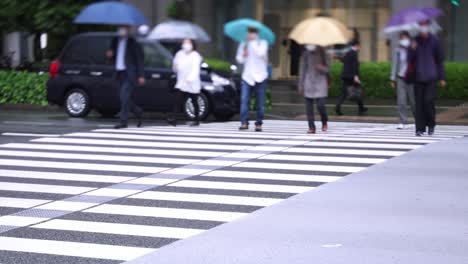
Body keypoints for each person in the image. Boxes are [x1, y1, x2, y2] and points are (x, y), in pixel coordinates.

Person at [408, 20, 446, 136]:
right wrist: (412, 49)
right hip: (418, 77)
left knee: (428, 102)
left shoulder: (434, 40)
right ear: (419, 27)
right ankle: (419, 128)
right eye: (421, 25)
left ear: (428, 26)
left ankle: (431, 125)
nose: (423, 27)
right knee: (418, 104)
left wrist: (442, 77)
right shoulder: (415, 40)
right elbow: (409, 59)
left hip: (431, 77)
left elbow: (439, 60)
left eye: (425, 25)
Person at [107, 26, 145, 129]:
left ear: (128, 30)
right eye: (120, 28)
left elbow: (139, 59)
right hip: (118, 72)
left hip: (129, 73)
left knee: (124, 96)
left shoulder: (133, 42)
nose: (121, 30)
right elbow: (112, 56)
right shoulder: (115, 41)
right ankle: (138, 111)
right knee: (122, 97)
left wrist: (141, 75)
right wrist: (110, 55)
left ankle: (123, 122)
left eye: (123, 28)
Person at [236, 27, 269, 132]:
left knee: (260, 102)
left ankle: (258, 123)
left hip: (260, 76)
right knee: (244, 100)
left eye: (252, 33)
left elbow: (261, 53)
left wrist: (252, 43)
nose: (250, 35)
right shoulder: (244, 44)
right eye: (249, 33)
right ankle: (244, 122)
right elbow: (239, 60)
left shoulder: (262, 43)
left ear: (256, 34)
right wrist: (243, 54)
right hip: (247, 76)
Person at [169, 39, 203, 127]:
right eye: (184, 43)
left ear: (192, 44)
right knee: (177, 100)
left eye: (188, 43)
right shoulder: (179, 54)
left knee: (194, 100)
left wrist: (190, 79)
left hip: (192, 82)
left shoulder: (196, 56)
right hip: (182, 81)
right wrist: (175, 67)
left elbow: (196, 69)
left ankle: (196, 119)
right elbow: (175, 67)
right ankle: (173, 118)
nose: (186, 45)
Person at [298, 44, 329, 134]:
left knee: (321, 105)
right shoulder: (306, 54)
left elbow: (328, 69)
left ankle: (324, 121)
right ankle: (311, 127)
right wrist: (301, 84)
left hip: (321, 82)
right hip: (309, 82)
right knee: (309, 107)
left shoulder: (323, 53)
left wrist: (321, 68)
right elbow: (303, 69)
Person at [390, 31, 416, 130]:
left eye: (405, 37)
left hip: (412, 78)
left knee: (413, 101)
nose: (403, 40)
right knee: (401, 101)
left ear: (409, 38)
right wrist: (392, 78)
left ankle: (418, 119)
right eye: (401, 38)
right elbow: (395, 64)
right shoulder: (398, 50)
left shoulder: (414, 49)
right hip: (401, 78)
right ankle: (402, 121)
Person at [335, 39, 368, 116]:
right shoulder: (354, 53)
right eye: (359, 46)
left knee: (343, 93)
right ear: (356, 45)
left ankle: (338, 107)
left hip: (345, 75)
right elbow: (354, 66)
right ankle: (361, 108)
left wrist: (337, 57)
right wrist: (355, 76)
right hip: (351, 76)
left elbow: (344, 60)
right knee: (358, 90)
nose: (360, 48)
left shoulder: (348, 52)